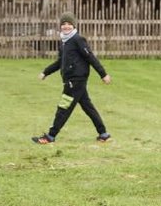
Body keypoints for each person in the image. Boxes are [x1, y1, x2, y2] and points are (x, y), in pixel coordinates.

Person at [32, 12, 112, 144]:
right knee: (88, 107)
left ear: (73, 25)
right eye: (63, 24)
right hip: (72, 80)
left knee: (63, 108)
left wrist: (103, 74)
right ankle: (103, 134)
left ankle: (50, 136)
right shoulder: (64, 42)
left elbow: (90, 57)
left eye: (69, 24)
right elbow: (60, 62)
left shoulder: (77, 40)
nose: (66, 26)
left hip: (75, 80)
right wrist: (46, 72)